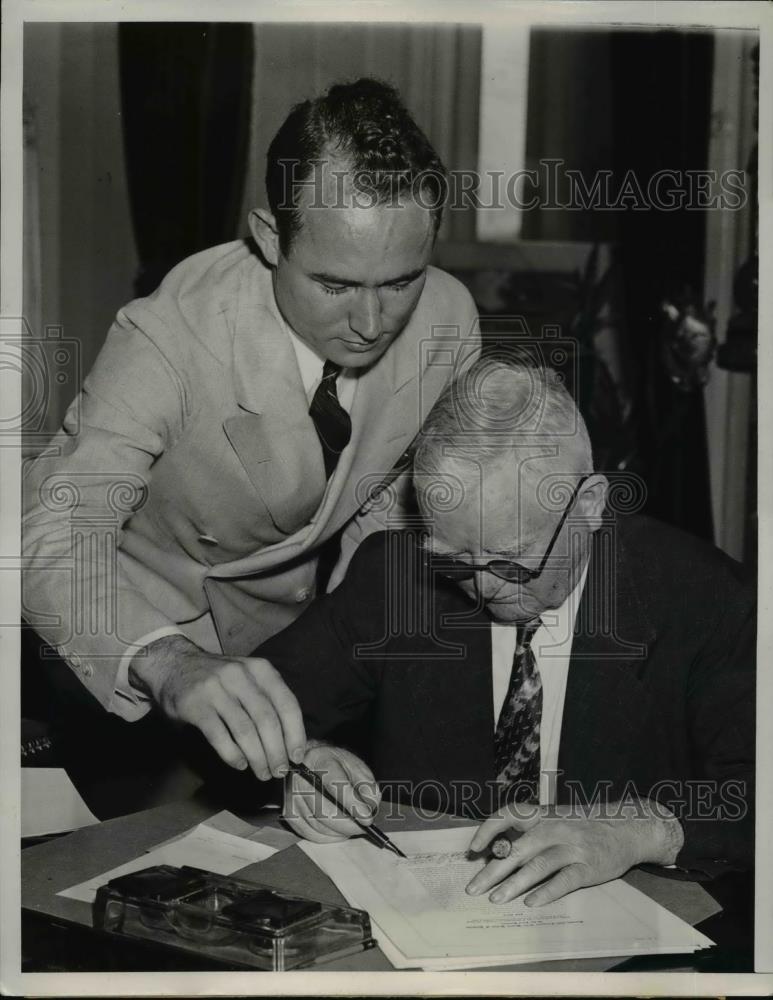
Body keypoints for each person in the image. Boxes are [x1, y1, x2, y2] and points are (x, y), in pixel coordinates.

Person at [21, 78, 479, 784]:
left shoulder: (448, 318)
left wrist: (351, 669)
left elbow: (388, 506)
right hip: (137, 641)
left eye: (398, 281)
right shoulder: (169, 337)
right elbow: (50, 535)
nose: (370, 322)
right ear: (270, 237)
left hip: (296, 642)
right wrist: (170, 663)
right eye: (333, 284)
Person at [255, 359, 754, 906]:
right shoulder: (396, 577)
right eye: (454, 561)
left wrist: (637, 828)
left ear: (588, 506)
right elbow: (251, 706)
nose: (485, 589)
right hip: (424, 921)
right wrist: (307, 765)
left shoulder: (705, 597)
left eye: (513, 561)